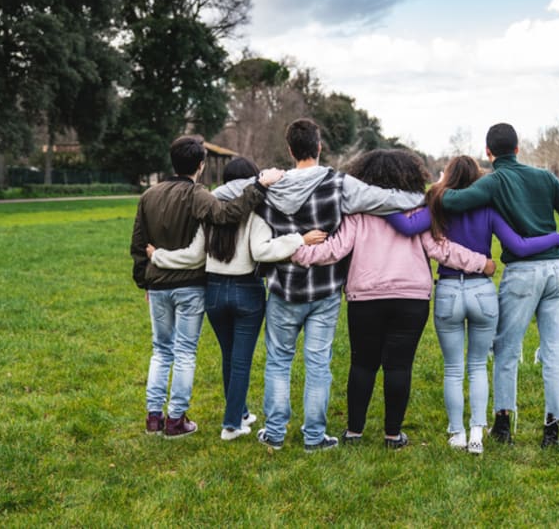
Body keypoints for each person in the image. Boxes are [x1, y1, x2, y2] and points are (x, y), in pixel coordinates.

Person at [216, 118, 426, 452]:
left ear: (289, 149)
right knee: (317, 364)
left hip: (283, 286)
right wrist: (429, 195)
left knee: (279, 362)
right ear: (318, 147)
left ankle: (274, 433)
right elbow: (392, 200)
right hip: (325, 289)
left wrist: (259, 180)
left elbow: (221, 194)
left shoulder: (271, 185)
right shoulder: (340, 184)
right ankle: (314, 436)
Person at [292, 149, 496, 449]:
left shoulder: (358, 211)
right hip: (411, 299)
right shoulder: (416, 208)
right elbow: (441, 249)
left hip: (365, 297)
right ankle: (392, 435)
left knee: (363, 364)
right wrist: (482, 263)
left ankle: (354, 431)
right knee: (399, 367)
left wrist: (296, 250)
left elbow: (335, 249)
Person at [384, 155, 559, 453]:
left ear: (449, 177)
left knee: (453, 368)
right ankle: (477, 435)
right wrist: (555, 237)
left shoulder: (438, 204)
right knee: (478, 366)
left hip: (450, 291)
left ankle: (456, 434)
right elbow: (519, 245)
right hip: (482, 292)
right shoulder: (487, 208)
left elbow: (407, 227)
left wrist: (381, 205)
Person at [145, 157, 327, 441]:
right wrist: (299, 240)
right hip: (246, 291)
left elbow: (193, 256)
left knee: (229, 356)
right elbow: (262, 251)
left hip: (214, 292)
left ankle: (241, 412)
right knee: (241, 360)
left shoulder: (210, 213)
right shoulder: (255, 212)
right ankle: (231, 425)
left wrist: (157, 256)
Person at [441, 123, 559, 448]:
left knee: (506, 348)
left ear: (488, 152)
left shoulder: (494, 181)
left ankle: (503, 424)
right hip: (556, 271)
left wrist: (440, 185)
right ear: (518, 148)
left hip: (522, 272)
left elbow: (451, 202)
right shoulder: (545, 177)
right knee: (557, 350)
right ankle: (552, 427)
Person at [130, 135, 283, 438]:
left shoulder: (148, 195)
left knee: (160, 351)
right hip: (190, 286)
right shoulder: (197, 195)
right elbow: (226, 216)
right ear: (201, 165)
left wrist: (144, 281)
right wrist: (258, 188)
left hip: (160, 286)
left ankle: (153, 417)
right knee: (185, 351)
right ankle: (176, 420)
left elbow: (138, 244)